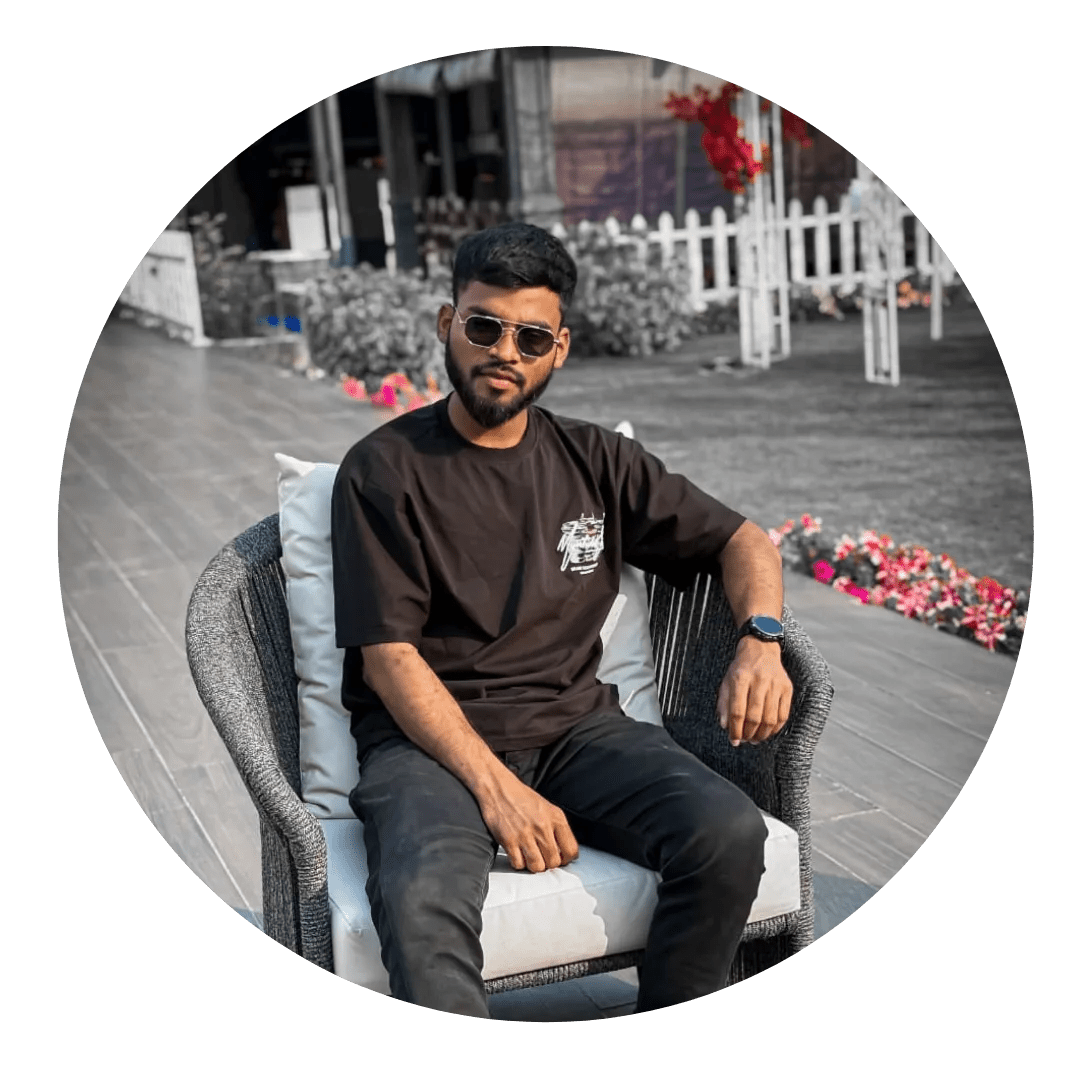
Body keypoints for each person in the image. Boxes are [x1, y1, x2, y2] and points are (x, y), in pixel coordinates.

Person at [330, 222, 793, 1018]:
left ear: (559, 349)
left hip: (579, 732)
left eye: (531, 336)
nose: (505, 351)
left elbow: (743, 539)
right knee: (420, 899)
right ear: (447, 324)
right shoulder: (383, 470)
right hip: (427, 749)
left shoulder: (598, 461)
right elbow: (389, 658)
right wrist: (499, 790)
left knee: (727, 831)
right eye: (484, 327)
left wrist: (761, 642)